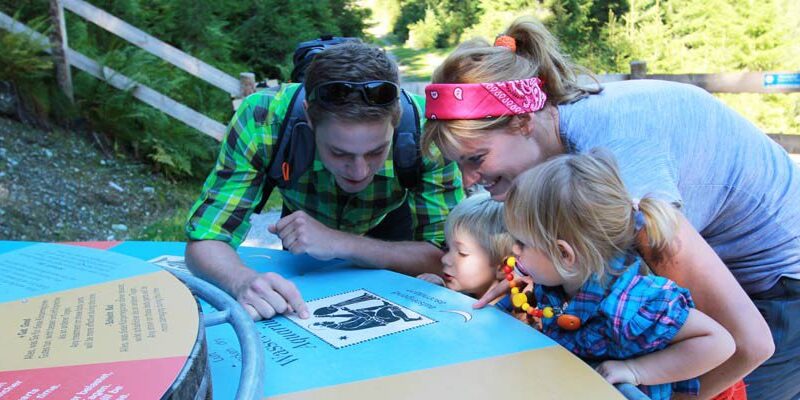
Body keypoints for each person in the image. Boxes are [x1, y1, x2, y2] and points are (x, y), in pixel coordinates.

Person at [421, 16, 798, 399]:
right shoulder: (562, 162)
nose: (468, 181)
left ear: (521, 121)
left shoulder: (622, 171)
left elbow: (749, 343)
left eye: (476, 158)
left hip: (777, 287)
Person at [185, 41, 464, 321]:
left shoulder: (428, 130)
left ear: (397, 118)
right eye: (338, 152)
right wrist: (242, 281)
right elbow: (206, 238)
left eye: (377, 151)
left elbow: (449, 258)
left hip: (392, 221)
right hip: (304, 230)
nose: (358, 171)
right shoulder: (262, 120)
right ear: (308, 116)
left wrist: (342, 243)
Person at [503, 150, 738, 399]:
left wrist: (636, 371)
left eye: (522, 242)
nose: (514, 250)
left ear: (564, 255)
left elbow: (719, 342)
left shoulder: (632, 303)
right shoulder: (559, 282)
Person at [417, 192, 514, 298]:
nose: (445, 259)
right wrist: (441, 291)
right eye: (447, 248)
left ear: (503, 268)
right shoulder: (468, 294)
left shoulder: (503, 313)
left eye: (462, 253)